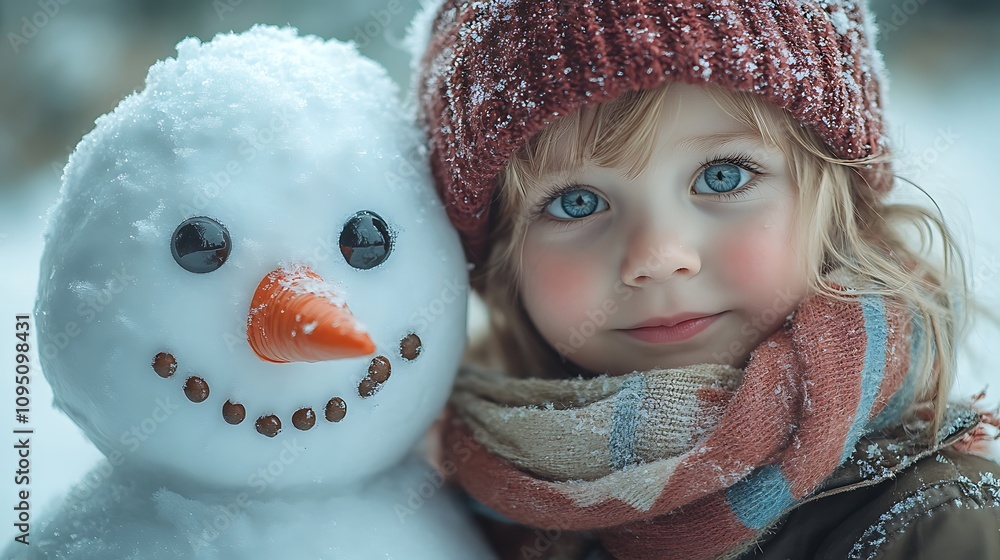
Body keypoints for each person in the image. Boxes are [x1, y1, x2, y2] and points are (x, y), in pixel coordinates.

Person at [415, 1, 1000, 558]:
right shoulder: (440, 506)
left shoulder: (930, 526)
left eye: (722, 177)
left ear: (839, 200)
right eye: (576, 202)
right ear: (499, 264)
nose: (660, 256)